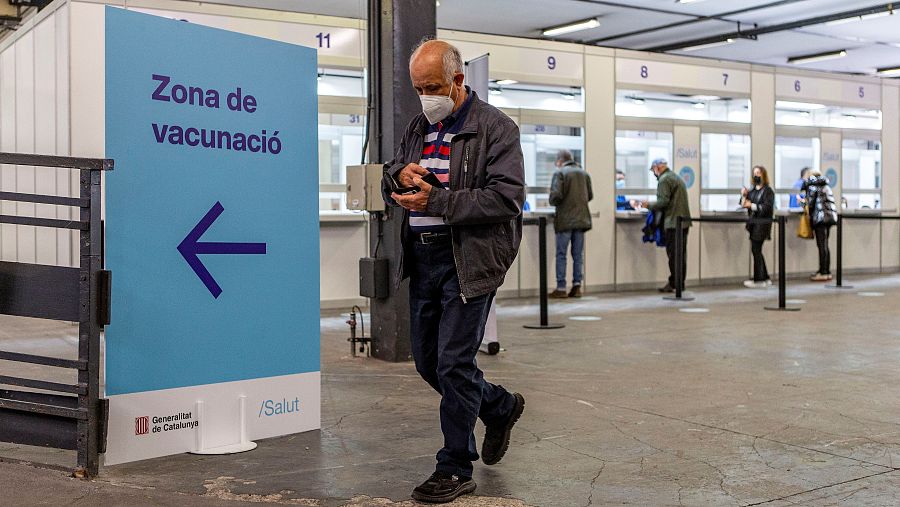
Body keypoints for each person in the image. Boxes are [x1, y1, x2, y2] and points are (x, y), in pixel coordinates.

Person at [382, 39, 526, 504]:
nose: (426, 96)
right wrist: (396, 178)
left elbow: (506, 199)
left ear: (458, 80)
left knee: (454, 363)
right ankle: (499, 406)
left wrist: (436, 201)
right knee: (429, 362)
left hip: (469, 259)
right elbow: (393, 175)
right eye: (418, 88)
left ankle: (454, 465)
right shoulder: (418, 126)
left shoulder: (497, 129)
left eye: (433, 87)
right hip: (421, 259)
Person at [631, 158, 691, 293]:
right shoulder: (675, 177)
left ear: (658, 168)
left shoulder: (664, 180)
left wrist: (648, 205)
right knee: (681, 255)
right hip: (683, 222)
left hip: (673, 223)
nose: (654, 173)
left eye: (653, 170)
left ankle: (675, 283)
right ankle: (679, 283)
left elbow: (663, 201)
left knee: (673, 255)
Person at [548, 150, 593, 299]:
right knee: (577, 255)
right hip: (581, 220)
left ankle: (561, 287)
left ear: (560, 161)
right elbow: (590, 196)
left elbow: (555, 196)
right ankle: (577, 286)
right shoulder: (584, 173)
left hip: (565, 220)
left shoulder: (560, 173)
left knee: (561, 255)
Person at [740, 165, 775, 288]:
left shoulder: (768, 191)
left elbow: (767, 208)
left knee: (756, 250)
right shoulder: (753, 191)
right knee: (756, 251)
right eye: (754, 173)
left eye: (759, 173)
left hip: (762, 225)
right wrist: (744, 195)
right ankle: (764, 277)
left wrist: (752, 206)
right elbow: (743, 204)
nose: (756, 175)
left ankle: (759, 279)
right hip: (753, 225)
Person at [802, 168, 838, 281]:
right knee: (825, 245)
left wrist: (803, 203)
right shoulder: (826, 185)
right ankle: (826, 271)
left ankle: (823, 271)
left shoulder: (813, 185)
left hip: (820, 219)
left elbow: (810, 203)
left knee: (821, 245)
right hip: (829, 218)